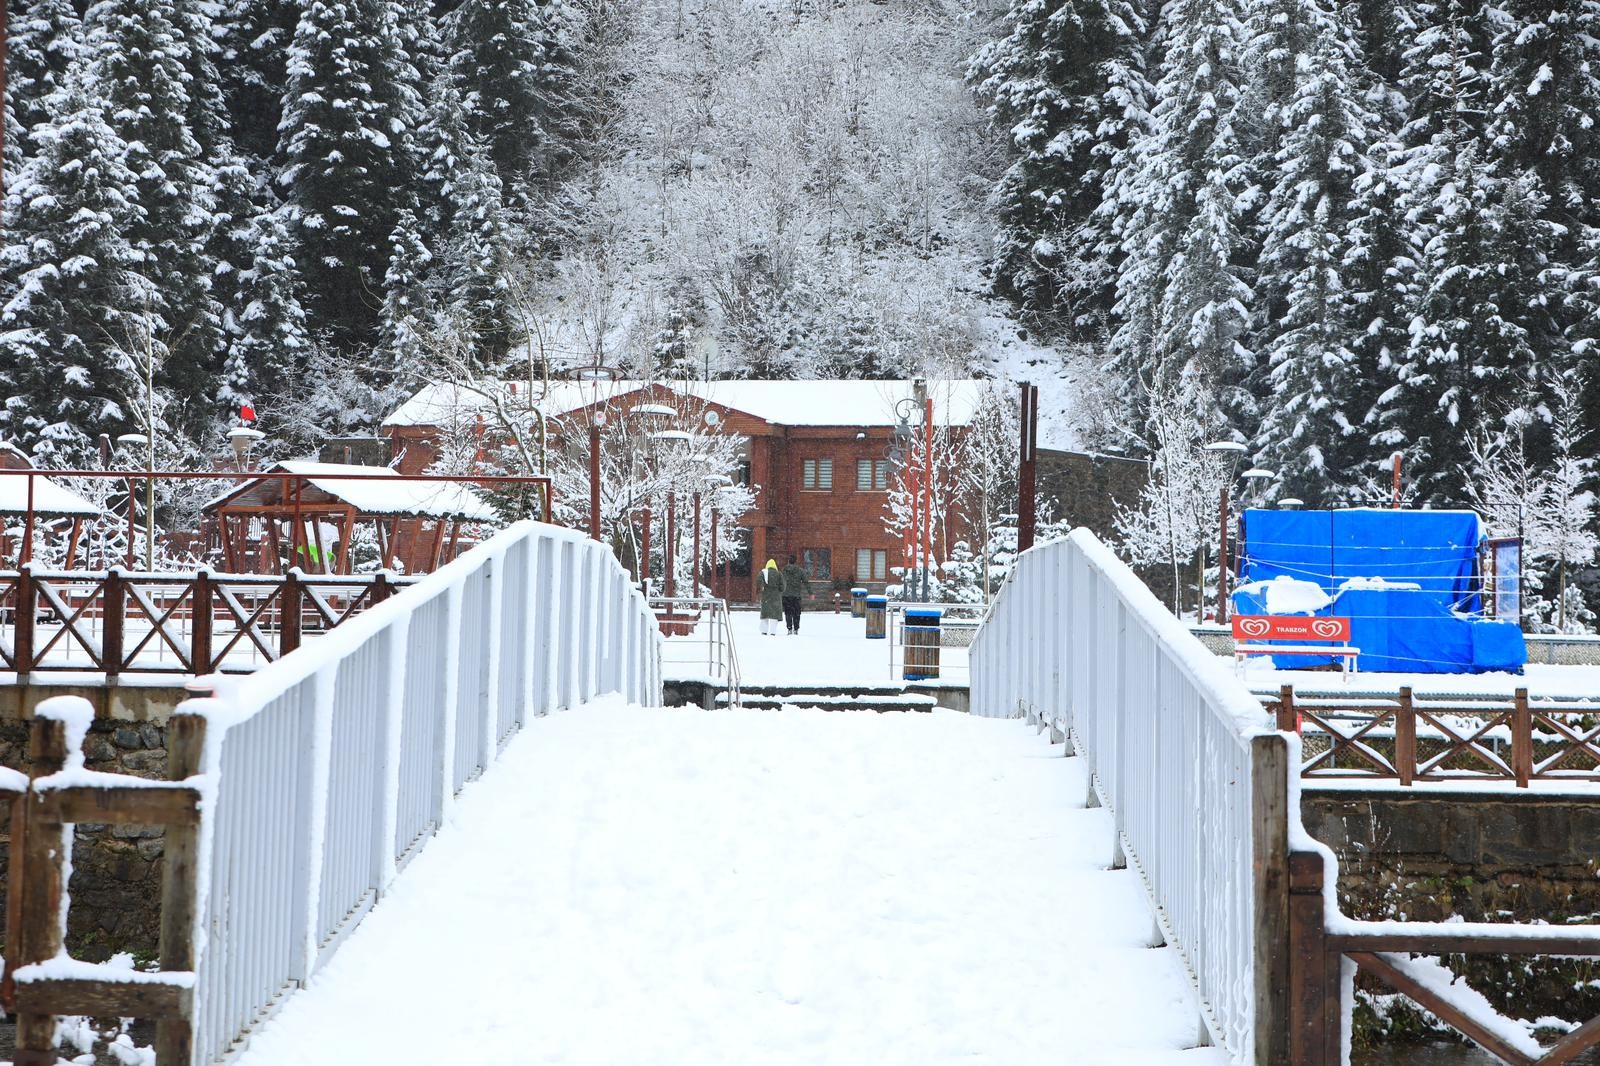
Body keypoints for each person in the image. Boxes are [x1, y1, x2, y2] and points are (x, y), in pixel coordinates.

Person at [780, 554, 810, 634]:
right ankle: (796, 629)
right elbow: (806, 582)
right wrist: (811, 593)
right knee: (797, 613)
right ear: (796, 561)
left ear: (788, 561)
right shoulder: (800, 571)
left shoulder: (784, 570)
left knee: (788, 612)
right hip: (796, 595)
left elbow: (780, 582)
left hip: (786, 595)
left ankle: (789, 628)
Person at [758, 558, 784, 635]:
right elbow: (782, 587)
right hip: (776, 597)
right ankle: (773, 632)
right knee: (774, 615)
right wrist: (779, 590)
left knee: (765, 615)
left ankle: (764, 631)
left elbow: (758, 582)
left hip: (766, 596)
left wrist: (761, 589)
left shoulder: (763, 572)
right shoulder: (779, 574)